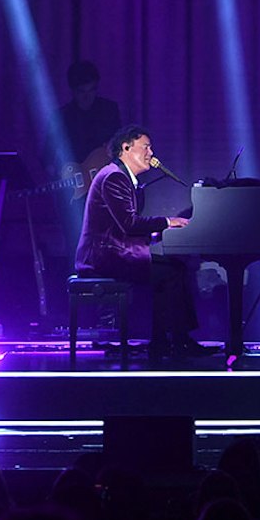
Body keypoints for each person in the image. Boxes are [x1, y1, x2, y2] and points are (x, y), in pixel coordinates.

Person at [74, 124, 211, 359]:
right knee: (172, 271)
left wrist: (157, 233)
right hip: (102, 256)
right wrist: (168, 222)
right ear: (126, 148)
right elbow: (129, 224)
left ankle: (165, 341)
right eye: (146, 147)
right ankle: (176, 341)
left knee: (172, 268)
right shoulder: (114, 177)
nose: (151, 153)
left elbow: (124, 226)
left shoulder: (121, 177)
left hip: (113, 251)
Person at [57, 60, 122, 167]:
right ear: (73, 91)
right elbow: (47, 155)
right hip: (74, 176)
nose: (87, 97)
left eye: (91, 90)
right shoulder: (62, 117)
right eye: (81, 92)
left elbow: (120, 143)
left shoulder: (109, 110)